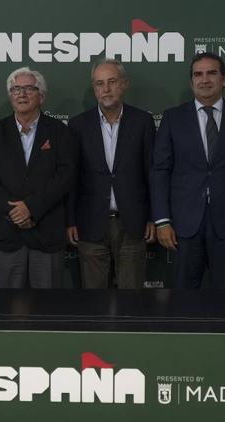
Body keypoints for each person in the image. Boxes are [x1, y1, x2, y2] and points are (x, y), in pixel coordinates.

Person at [151, 52, 225, 289]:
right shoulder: (173, 118)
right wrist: (162, 221)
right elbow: (160, 171)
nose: (204, 79)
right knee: (183, 298)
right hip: (184, 224)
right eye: (198, 74)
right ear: (192, 81)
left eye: (211, 73)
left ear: (224, 79)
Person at [0, 67, 75, 288]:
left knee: (48, 313)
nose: (21, 94)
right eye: (16, 89)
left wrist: (30, 208)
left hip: (46, 234)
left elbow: (65, 177)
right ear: (10, 95)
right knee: (5, 312)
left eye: (29, 88)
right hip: (6, 235)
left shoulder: (61, 132)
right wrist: (14, 213)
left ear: (42, 95)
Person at [67, 59, 155, 289]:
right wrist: (71, 220)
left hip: (133, 223)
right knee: (94, 300)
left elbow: (152, 172)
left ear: (124, 84)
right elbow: (72, 178)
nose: (106, 89)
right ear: (94, 88)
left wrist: (153, 217)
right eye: (99, 84)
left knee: (131, 300)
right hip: (90, 223)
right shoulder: (78, 125)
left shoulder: (143, 121)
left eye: (112, 82)